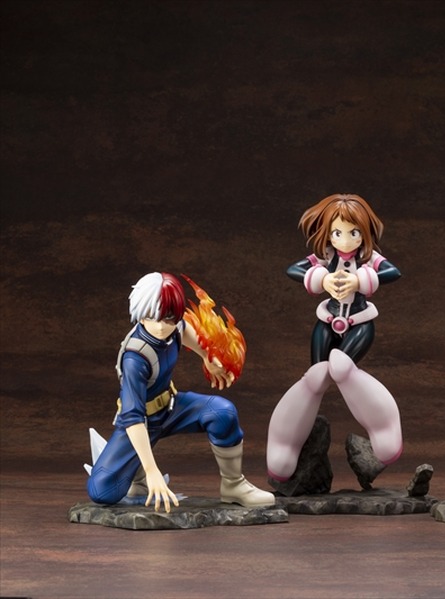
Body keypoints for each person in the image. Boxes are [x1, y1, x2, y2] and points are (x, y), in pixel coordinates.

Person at [87, 272, 274, 512]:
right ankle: (138, 476)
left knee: (223, 412)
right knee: (101, 490)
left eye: (168, 318)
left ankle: (233, 485)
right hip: (141, 421)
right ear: (139, 313)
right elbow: (133, 417)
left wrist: (206, 356)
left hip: (172, 408)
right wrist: (152, 471)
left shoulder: (174, 327)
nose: (160, 327)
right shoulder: (135, 358)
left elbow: (184, 330)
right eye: (151, 317)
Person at [267, 194, 402, 489]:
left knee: (342, 368)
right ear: (328, 234)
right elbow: (294, 269)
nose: (346, 240)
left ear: (365, 233)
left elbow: (393, 272)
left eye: (354, 233)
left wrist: (360, 280)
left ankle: (385, 432)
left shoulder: (368, 259)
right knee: (315, 377)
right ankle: (283, 449)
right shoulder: (325, 257)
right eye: (337, 233)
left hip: (359, 323)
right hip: (327, 323)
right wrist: (321, 279)